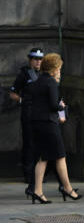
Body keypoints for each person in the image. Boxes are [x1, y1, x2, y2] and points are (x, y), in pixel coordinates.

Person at [27, 54, 80, 204]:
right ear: (54, 69)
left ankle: (37, 191)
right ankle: (67, 188)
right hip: (49, 124)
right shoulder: (51, 83)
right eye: (59, 68)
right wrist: (61, 106)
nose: (60, 71)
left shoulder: (38, 81)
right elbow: (53, 105)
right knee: (60, 155)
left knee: (44, 158)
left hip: (37, 122)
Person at [10, 47, 44, 189]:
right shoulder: (24, 74)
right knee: (29, 144)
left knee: (40, 144)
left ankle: (39, 175)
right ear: (30, 60)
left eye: (40, 59)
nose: (38, 62)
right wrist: (22, 101)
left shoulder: (44, 74)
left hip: (41, 113)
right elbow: (13, 93)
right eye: (35, 59)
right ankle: (28, 174)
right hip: (28, 113)